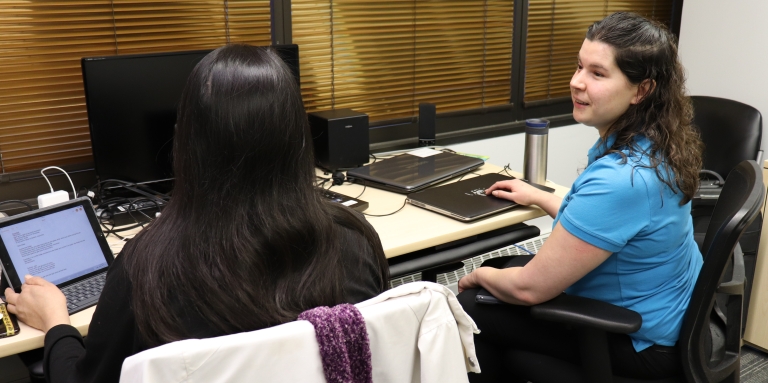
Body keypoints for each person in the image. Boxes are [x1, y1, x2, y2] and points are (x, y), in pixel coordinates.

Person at [4, 44, 390, 383]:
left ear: (186, 142)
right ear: (297, 137)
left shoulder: (148, 267)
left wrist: (57, 323)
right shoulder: (354, 239)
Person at [457, 12, 703, 382]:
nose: (576, 82)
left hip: (637, 341)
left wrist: (476, 275)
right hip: (662, 316)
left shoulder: (624, 180)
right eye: (579, 67)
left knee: (469, 307)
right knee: (507, 271)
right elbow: (605, 226)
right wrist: (540, 198)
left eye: (597, 74)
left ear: (641, 90)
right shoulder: (653, 146)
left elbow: (529, 289)